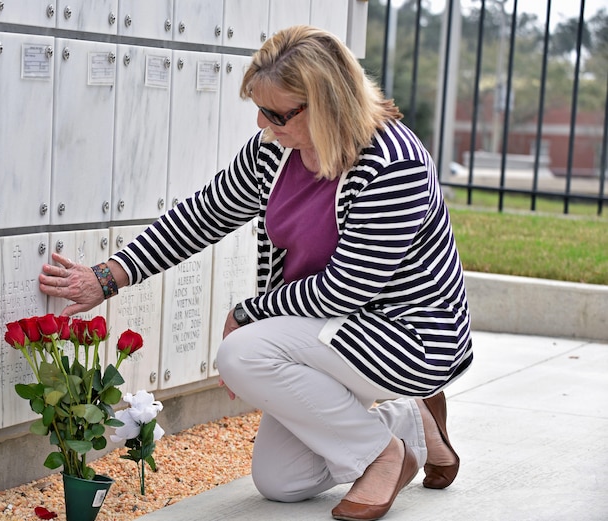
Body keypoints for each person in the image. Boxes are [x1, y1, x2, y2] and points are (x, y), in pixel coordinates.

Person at [39, 25, 472, 521]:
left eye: (276, 113)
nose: (264, 125)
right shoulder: (277, 148)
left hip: (405, 334)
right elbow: (205, 213)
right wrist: (110, 275)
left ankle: (383, 456)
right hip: (328, 331)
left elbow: (349, 286)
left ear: (326, 103)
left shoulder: (394, 164)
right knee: (282, 482)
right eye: (258, 109)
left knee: (242, 352)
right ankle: (410, 423)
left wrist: (250, 313)